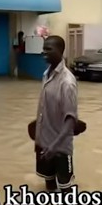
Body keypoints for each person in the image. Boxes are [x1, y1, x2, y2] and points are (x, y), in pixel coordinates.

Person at [29, 35, 80, 193]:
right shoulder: (46, 74)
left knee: (66, 190)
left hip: (60, 147)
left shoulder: (67, 82)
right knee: (49, 185)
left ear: (60, 51)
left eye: (48, 49)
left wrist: (54, 146)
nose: (44, 52)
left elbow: (70, 120)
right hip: (44, 143)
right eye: (43, 49)